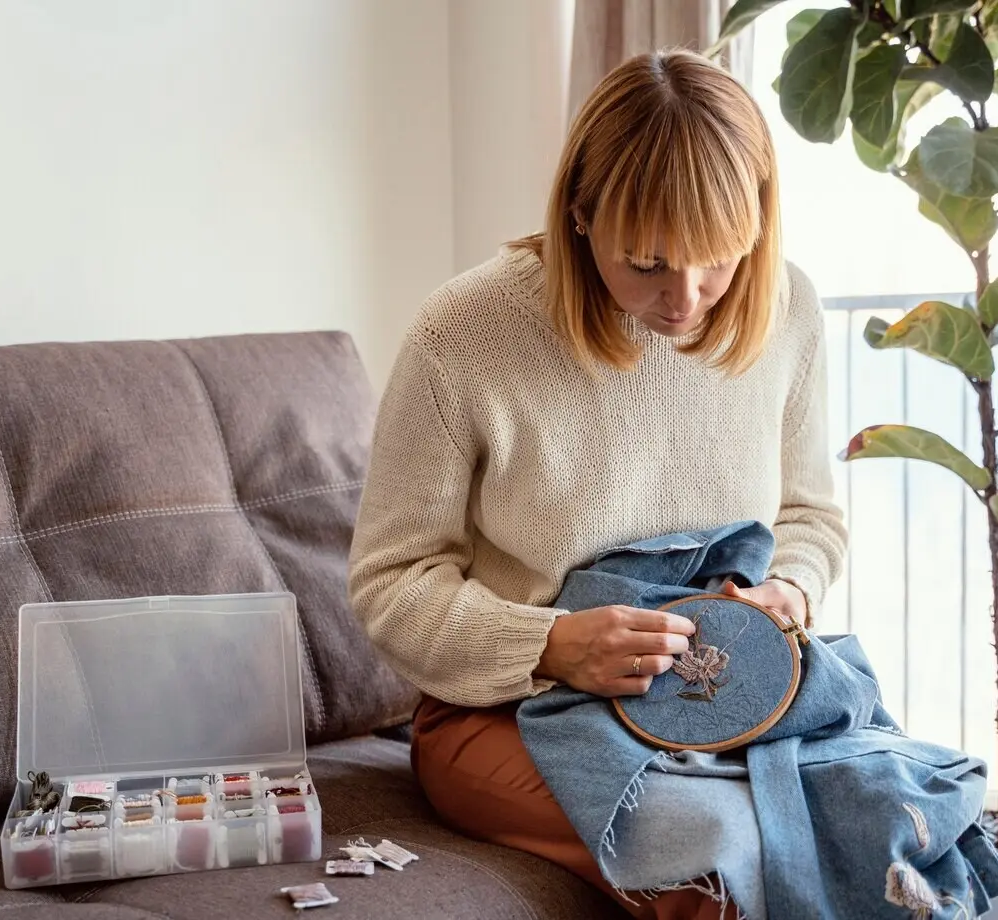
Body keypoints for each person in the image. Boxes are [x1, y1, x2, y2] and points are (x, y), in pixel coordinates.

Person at [348, 48, 846, 919]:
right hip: (503, 714)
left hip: (719, 701)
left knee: (871, 817)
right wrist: (551, 645)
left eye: (718, 258)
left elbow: (809, 516)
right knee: (724, 860)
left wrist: (790, 591)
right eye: (646, 262)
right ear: (580, 214)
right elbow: (390, 584)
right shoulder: (463, 334)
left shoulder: (787, 310)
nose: (685, 300)